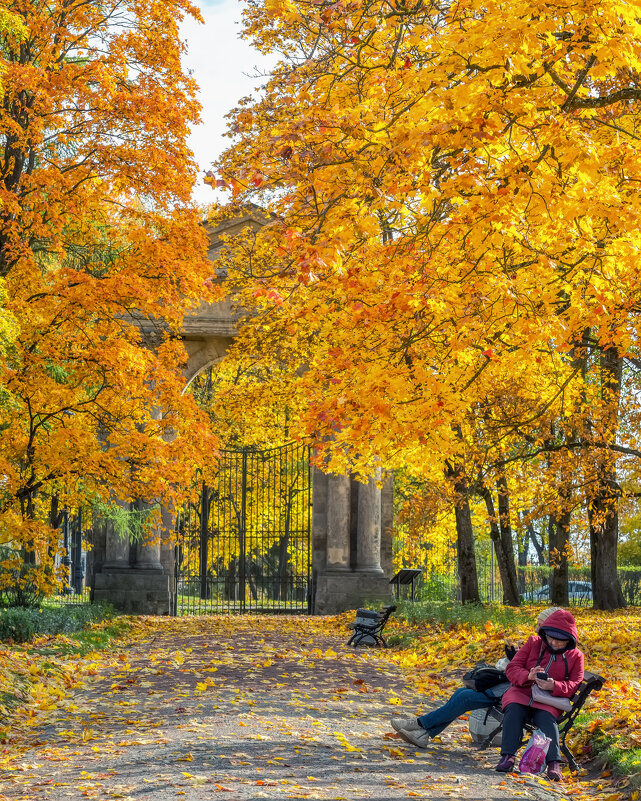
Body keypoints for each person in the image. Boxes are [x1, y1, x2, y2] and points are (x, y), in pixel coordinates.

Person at [392, 607, 562, 749]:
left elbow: (543, 676)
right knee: (461, 693)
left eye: (540, 625)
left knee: (465, 697)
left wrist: (528, 672)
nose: (536, 629)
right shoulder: (537, 642)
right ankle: (425, 733)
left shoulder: (556, 648)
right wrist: (514, 657)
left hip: (521, 697)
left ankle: (420, 725)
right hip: (512, 687)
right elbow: (518, 668)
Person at [495, 607, 584, 782]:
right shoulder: (534, 643)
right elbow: (512, 668)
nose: (555, 643)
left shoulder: (576, 656)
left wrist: (554, 685)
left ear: (570, 639)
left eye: (561, 641)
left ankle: (554, 764)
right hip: (522, 693)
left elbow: (574, 684)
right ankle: (508, 756)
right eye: (551, 638)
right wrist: (528, 676)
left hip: (549, 700)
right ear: (545, 634)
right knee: (513, 711)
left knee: (546, 719)